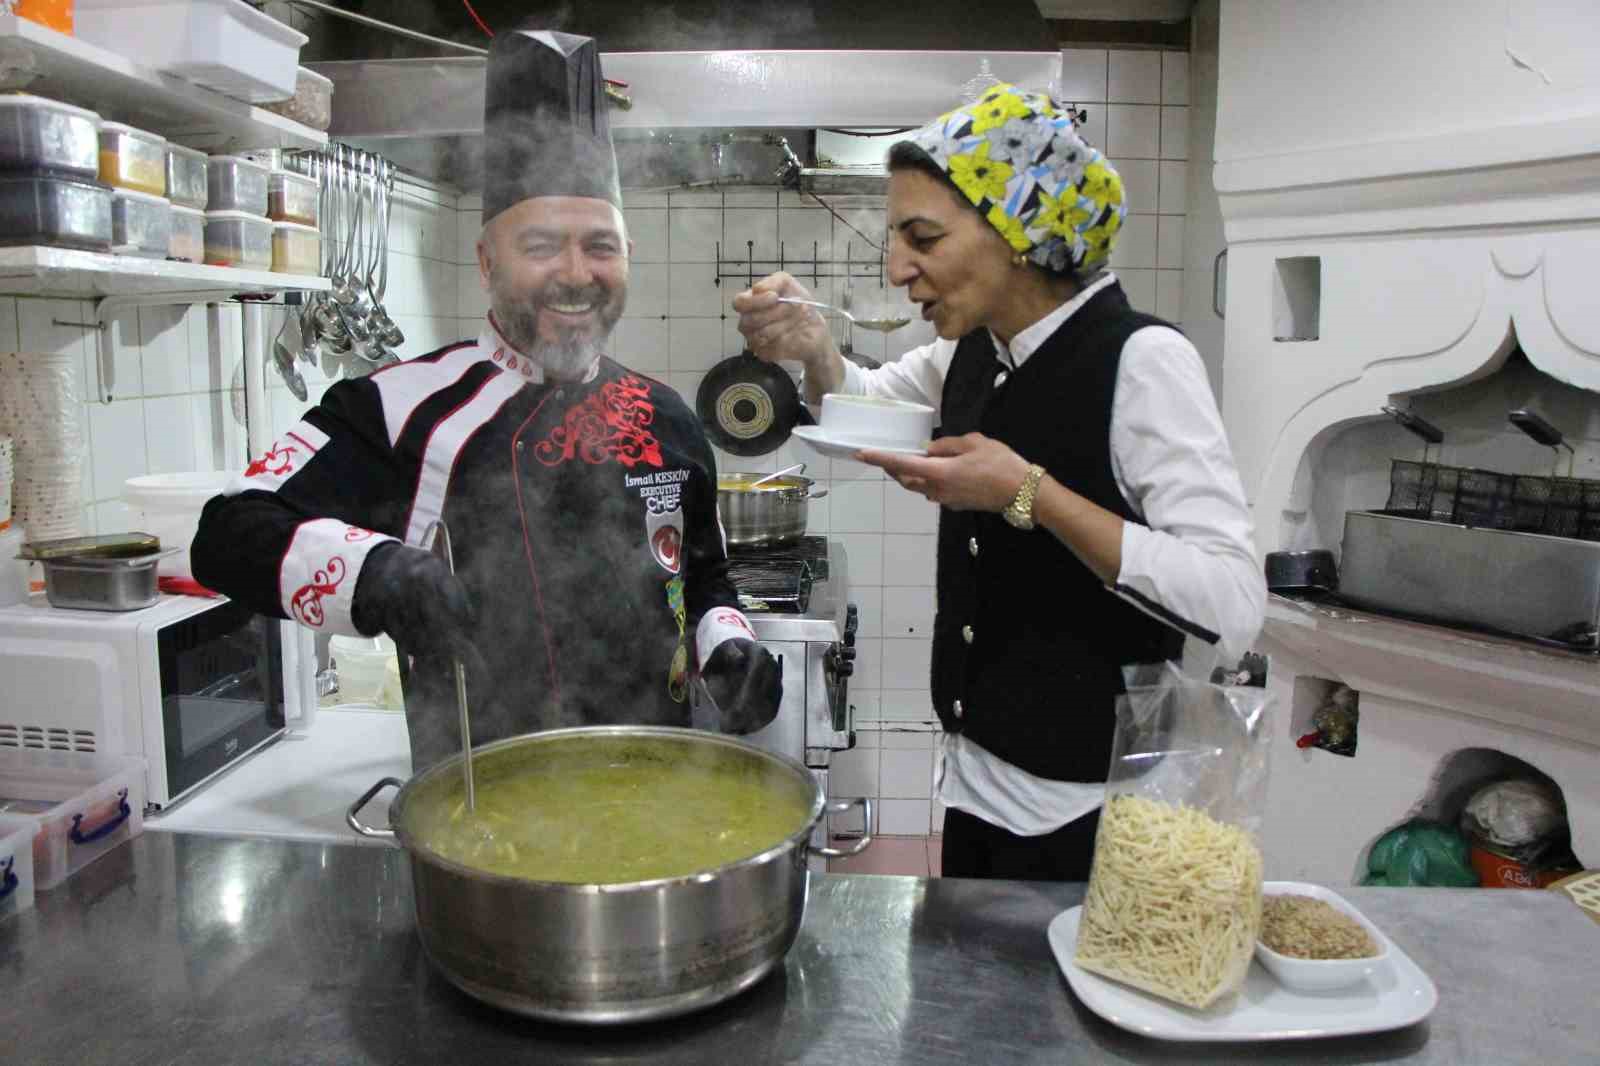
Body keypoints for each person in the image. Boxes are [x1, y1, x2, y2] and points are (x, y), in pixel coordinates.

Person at [193, 28, 780, 771]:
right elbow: (226, 532)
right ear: (485, 261)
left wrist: (729, 643)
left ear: (627, 255)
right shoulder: (402, 408)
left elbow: (702, 576)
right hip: (481, 816)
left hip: (654, 789)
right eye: (541, 246)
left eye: (600, 245)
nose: (576, 273)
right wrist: (379, 574)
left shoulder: (667, 417)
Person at [734, 85, 1265, 881]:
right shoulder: (977, 349)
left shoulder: (1143, 362)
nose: (898, 266)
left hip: (1095, 815)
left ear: (1020, 228)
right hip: (977, 782)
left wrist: (1030, 494)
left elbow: (1231, 602)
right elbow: (870, 402)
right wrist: (814, 350)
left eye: (923, 237)